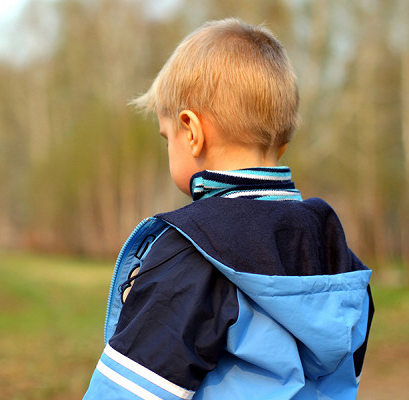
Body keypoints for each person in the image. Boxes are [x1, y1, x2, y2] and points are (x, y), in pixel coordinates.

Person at [83, 18, 374, 400]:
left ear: (191, 132)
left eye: (166, 138)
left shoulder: (197, 251)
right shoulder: (334, 249)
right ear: (281, 146)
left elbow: (129, 391)